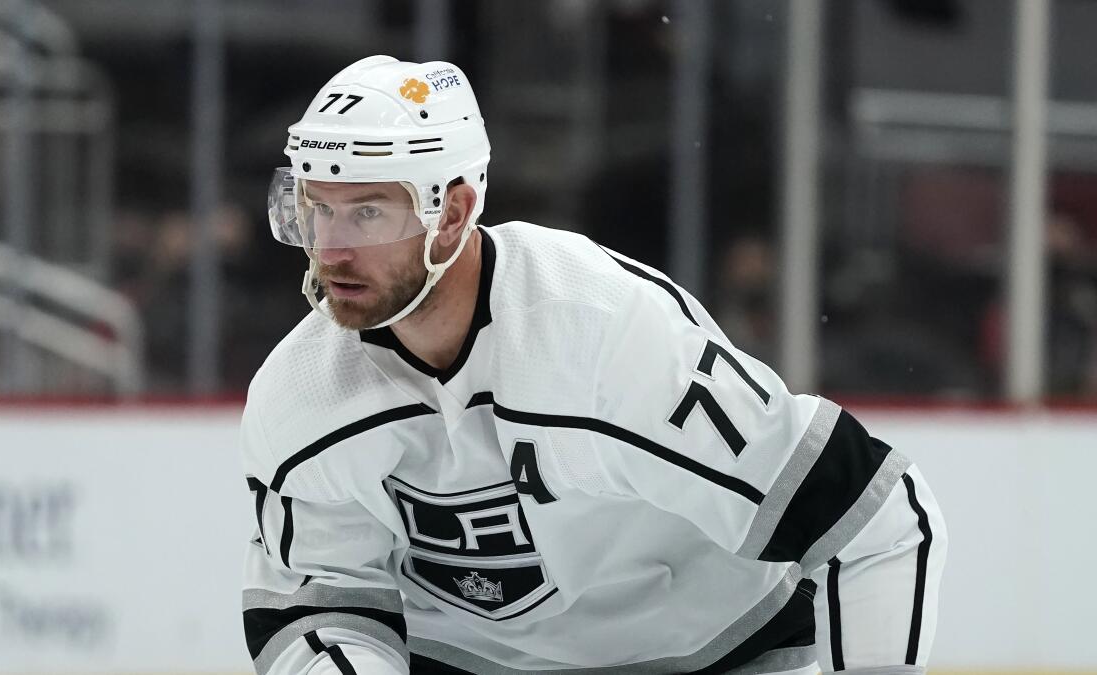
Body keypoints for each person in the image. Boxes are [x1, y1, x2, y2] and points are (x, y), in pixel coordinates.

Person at [241, 55, 946, 675]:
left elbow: (879, 521)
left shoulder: (605, 336)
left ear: (453, 213)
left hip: (715, 653)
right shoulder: (301, 395)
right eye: (315, 210)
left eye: (366, 213)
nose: (329, 250)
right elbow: (318, 610)